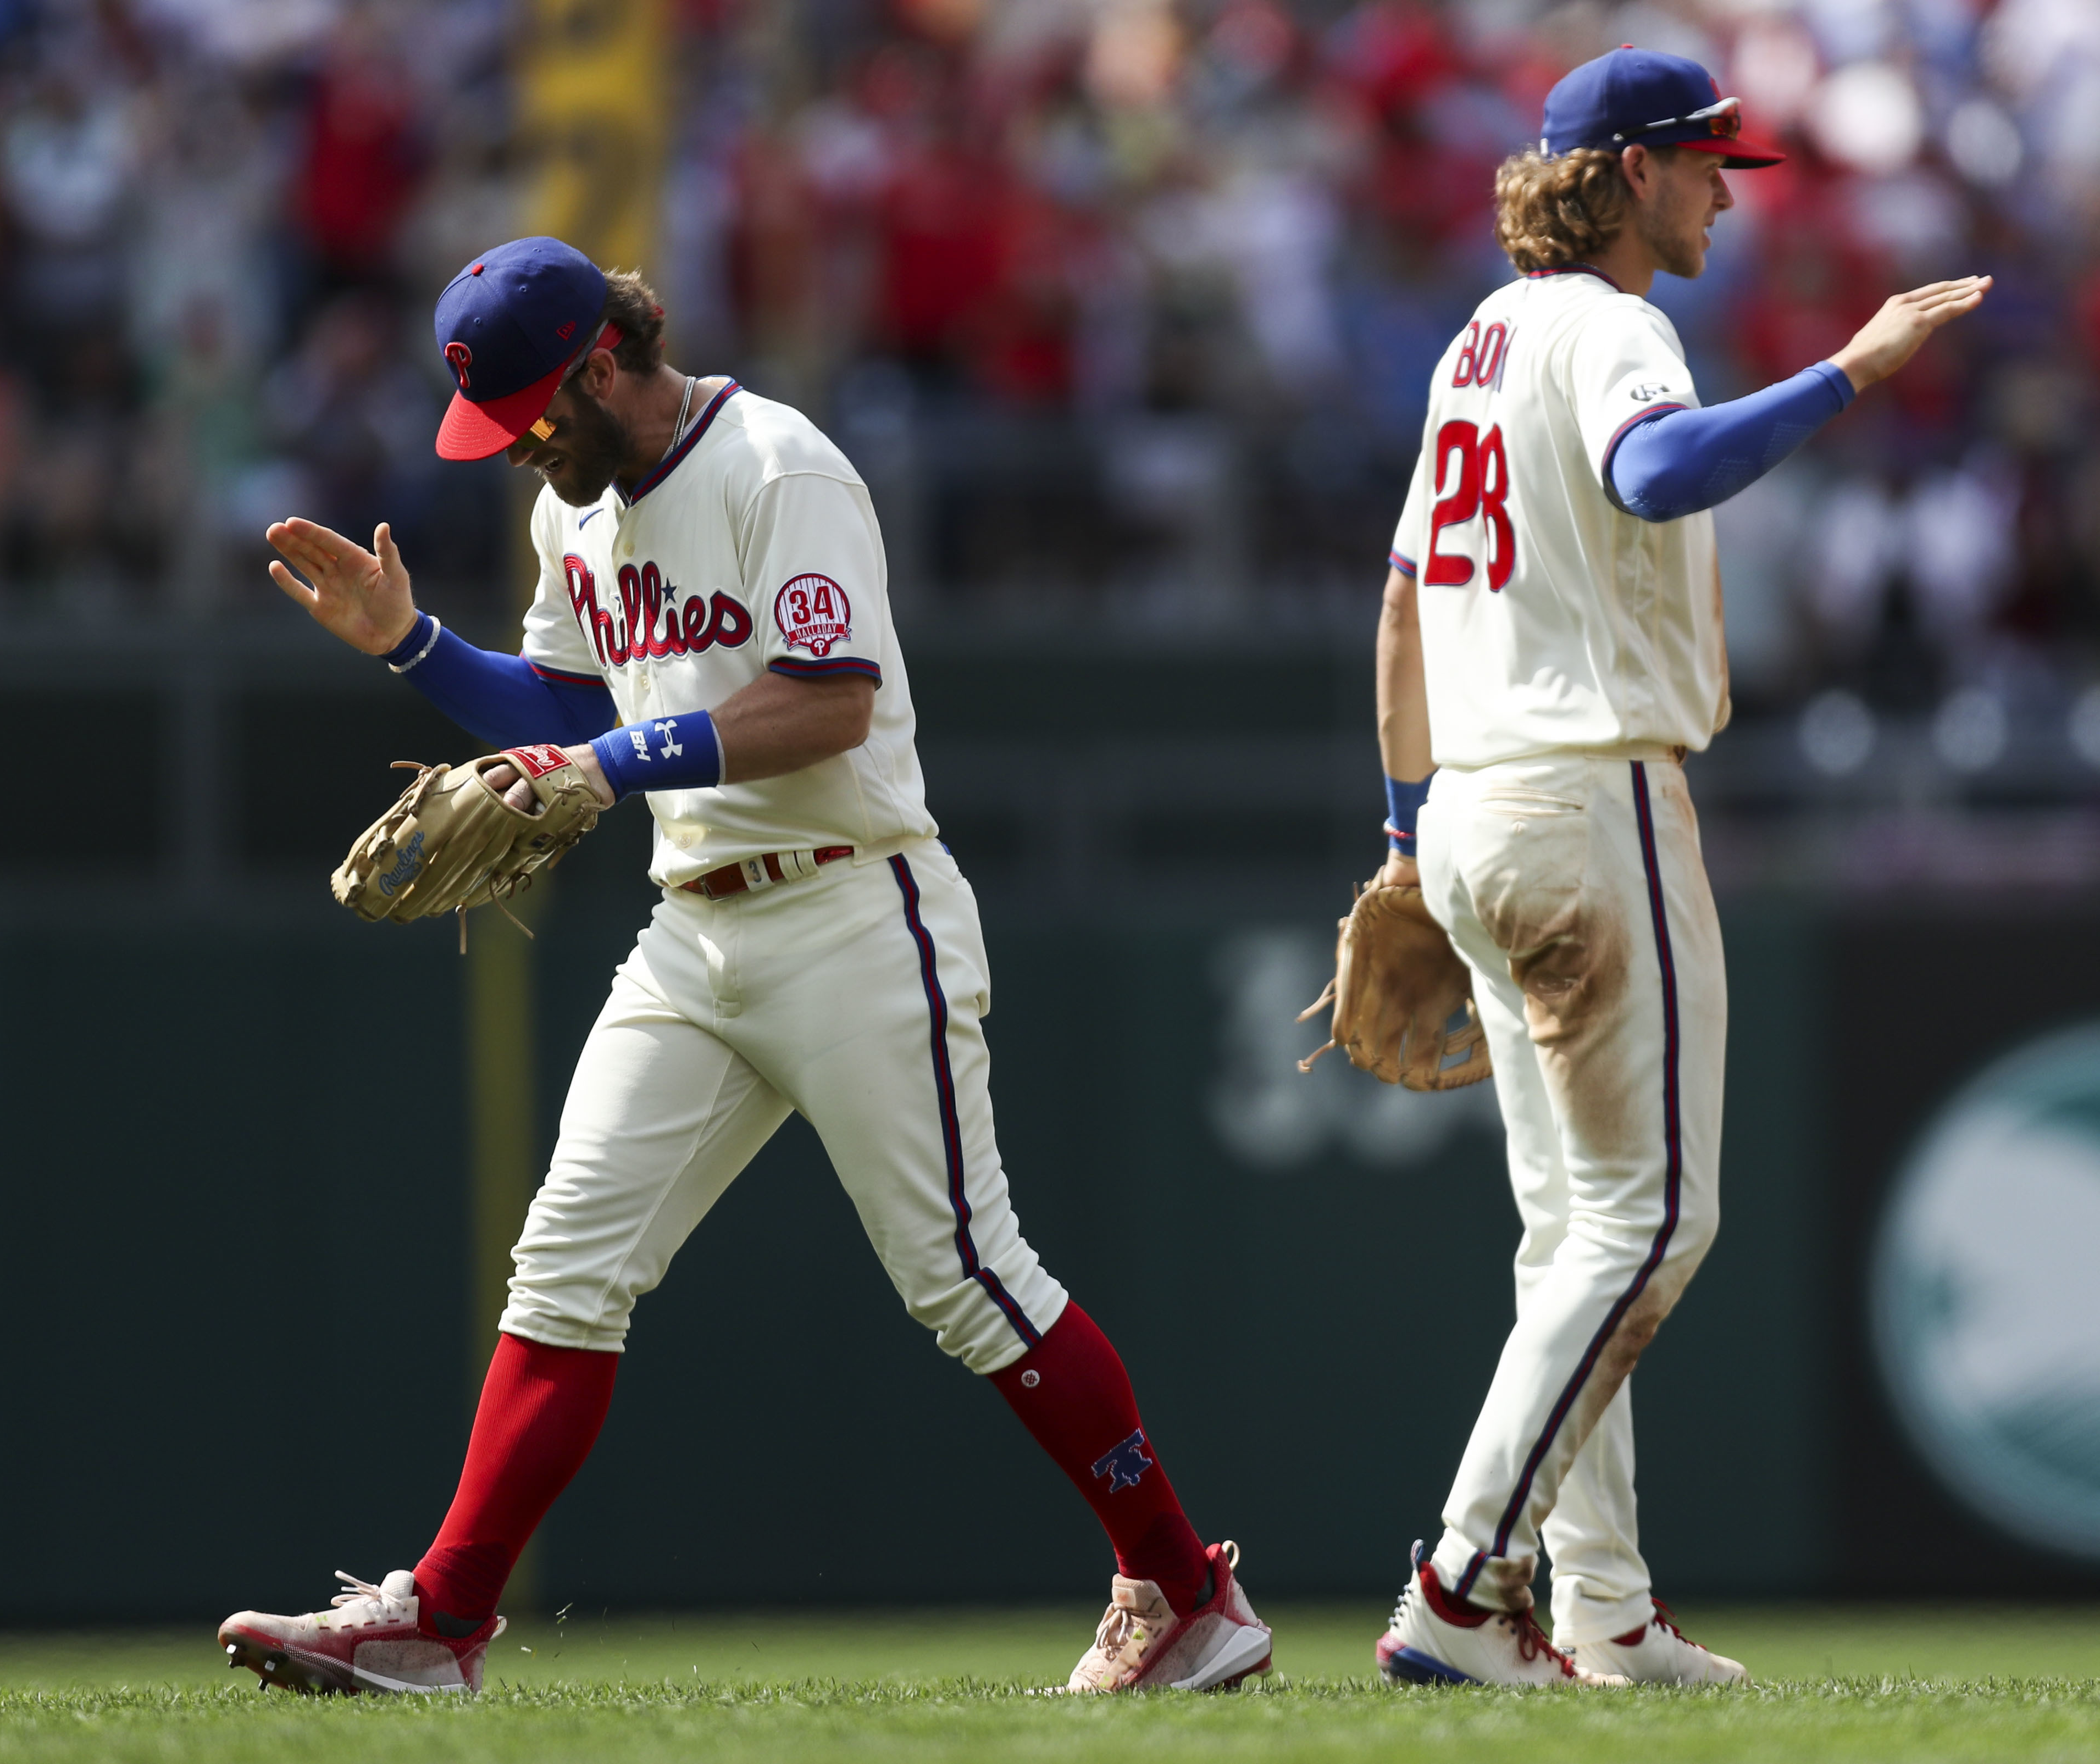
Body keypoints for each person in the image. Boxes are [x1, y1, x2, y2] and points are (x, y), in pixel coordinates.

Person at [215, 236, 1272, 1698]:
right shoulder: (571, 516)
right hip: (693, 924)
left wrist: (606, 760)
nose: (521, 444)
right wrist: (412, 648)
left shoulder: (778, 464)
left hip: (855, 904)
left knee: (964, 1277)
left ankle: (1185, 1588)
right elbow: (570, 700)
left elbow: (828, 704)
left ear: (599, 361)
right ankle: (442, 1619)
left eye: (534, 411)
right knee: (568, 1261)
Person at [1367, 49, 1987, 1687]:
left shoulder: (1473, 347)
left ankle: (1602, 1606)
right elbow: (1661, 471)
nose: (1730, 186)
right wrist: (1855, 367)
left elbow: (1401, 609)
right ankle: (1459, 1580)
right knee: (1653, 1221)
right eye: (1709, 160)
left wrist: (1398, 823)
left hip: (1475, 805)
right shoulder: (1608, 326)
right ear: (1630, 170)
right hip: (1589, 798)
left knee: (1568, 1227)